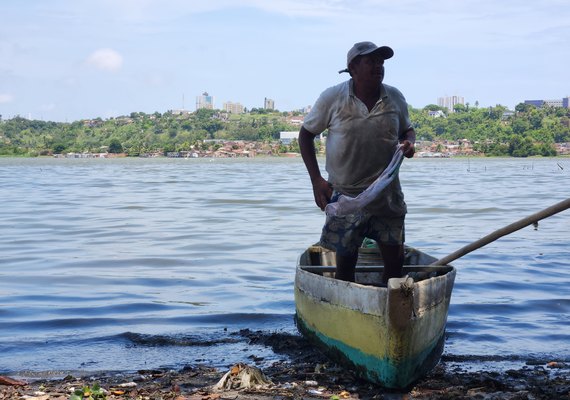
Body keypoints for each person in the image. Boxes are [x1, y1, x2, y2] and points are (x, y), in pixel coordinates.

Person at [299, 41, 416, 283]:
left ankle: (389, 309)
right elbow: (306, 135)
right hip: (345, 195)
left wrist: (409, 144)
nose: (378, 67)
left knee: (395, 265)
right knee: (345, 266)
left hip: (386, 195)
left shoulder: (394, 97)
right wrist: (316, 180)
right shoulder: (333, 97)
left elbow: (408, 130)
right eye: (370, 61)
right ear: (353, 68)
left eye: (381, 62)